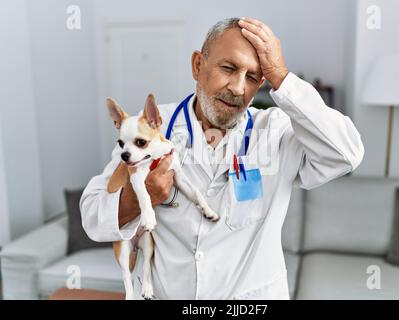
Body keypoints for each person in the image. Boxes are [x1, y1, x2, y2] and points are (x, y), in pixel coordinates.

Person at [80, 17, 364, 299]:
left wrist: (282, 77)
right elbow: (92, 214)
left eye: (252, 77)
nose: (238, 88)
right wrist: (135, 199)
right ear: (197, 65)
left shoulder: (276, 131)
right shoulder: (150, 130)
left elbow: (346, 154)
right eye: (229, 68)